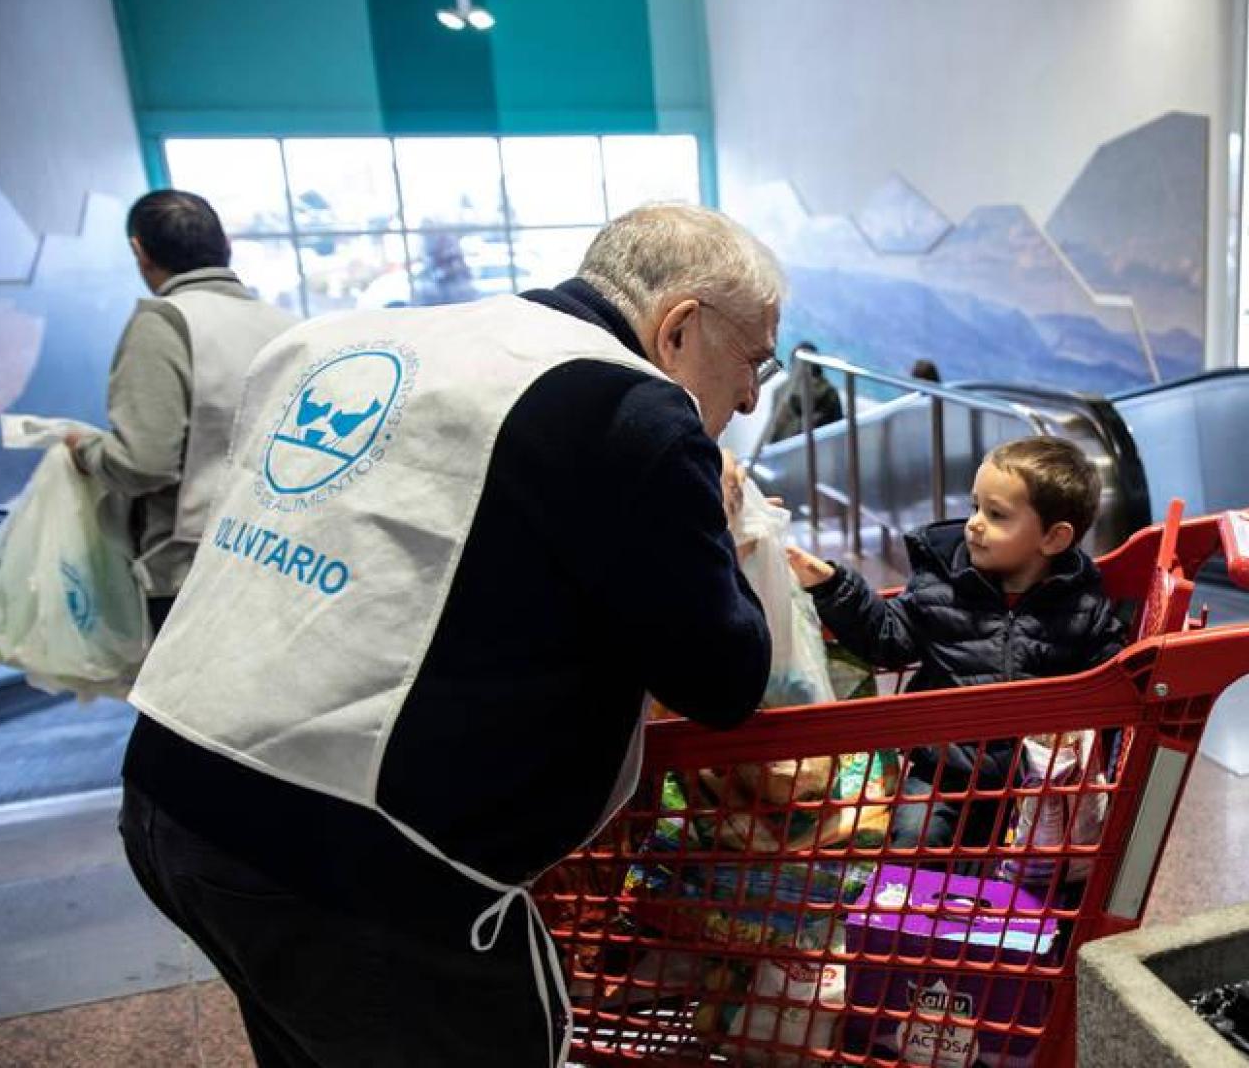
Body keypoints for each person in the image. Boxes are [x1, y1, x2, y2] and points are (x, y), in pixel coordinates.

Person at [118, 203, 781, 1066]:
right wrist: (719, 528)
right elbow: (722, 676)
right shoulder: (629, 408)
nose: (750, 395)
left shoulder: (354, 339)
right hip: (353, 865)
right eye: (753, 360)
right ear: (680, 327)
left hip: (170, 788)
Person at [786, 435, 1124, 852]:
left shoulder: (1082, 607)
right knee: (915, 840)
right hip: (943, 772)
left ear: (1053, 539)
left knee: (1056, 863)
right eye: (975, 506)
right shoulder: (941, 585)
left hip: (1036, 785)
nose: (975, 524)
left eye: (997, 515)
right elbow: (888, 639)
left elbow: (1113, 680)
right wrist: (834, 587)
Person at [64, 189, 298, 631]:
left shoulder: (165, 322)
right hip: (281, 556)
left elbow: (144, 463)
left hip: (192, 570)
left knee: (183, 699)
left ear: (139, 249)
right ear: (224, 243)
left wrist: (87, 450)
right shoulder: (289, 326)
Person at [764, 344, 843, 443]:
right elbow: (773, 430)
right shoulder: (780, 391)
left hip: (813, 447)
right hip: (785, 449)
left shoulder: (829, 394)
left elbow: (837, 431)